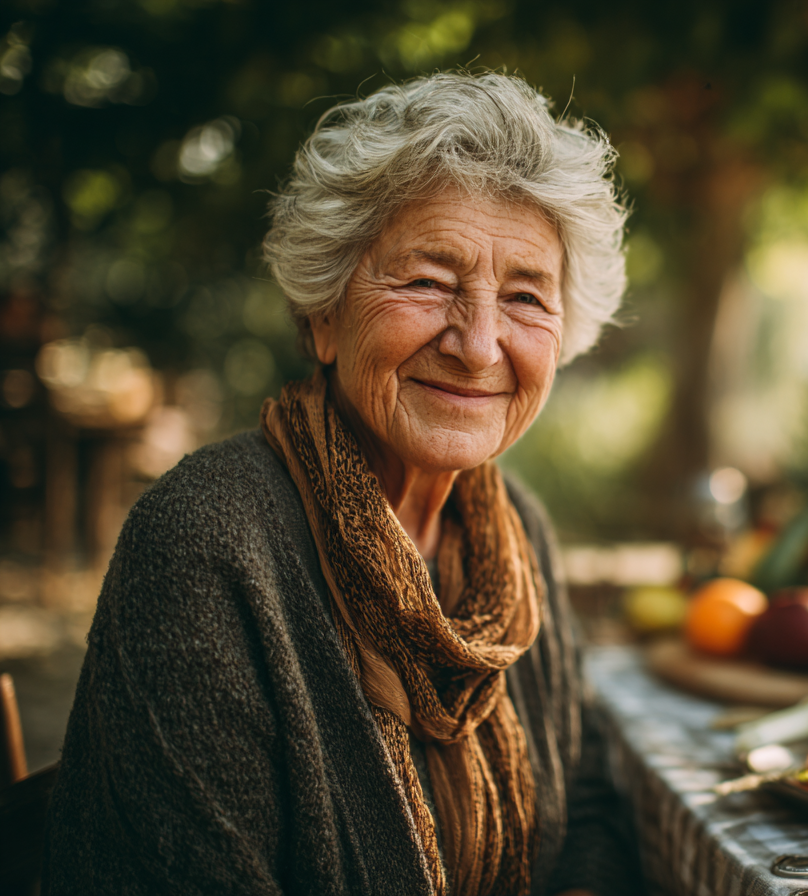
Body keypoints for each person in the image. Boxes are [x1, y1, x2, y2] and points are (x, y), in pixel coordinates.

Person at [43, 71, 636, 896]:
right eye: (428, 281)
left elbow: (592, 809)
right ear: (324, 312)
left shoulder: (512, 533)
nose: (478, 343)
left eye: (526, 296)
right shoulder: (204, 544)